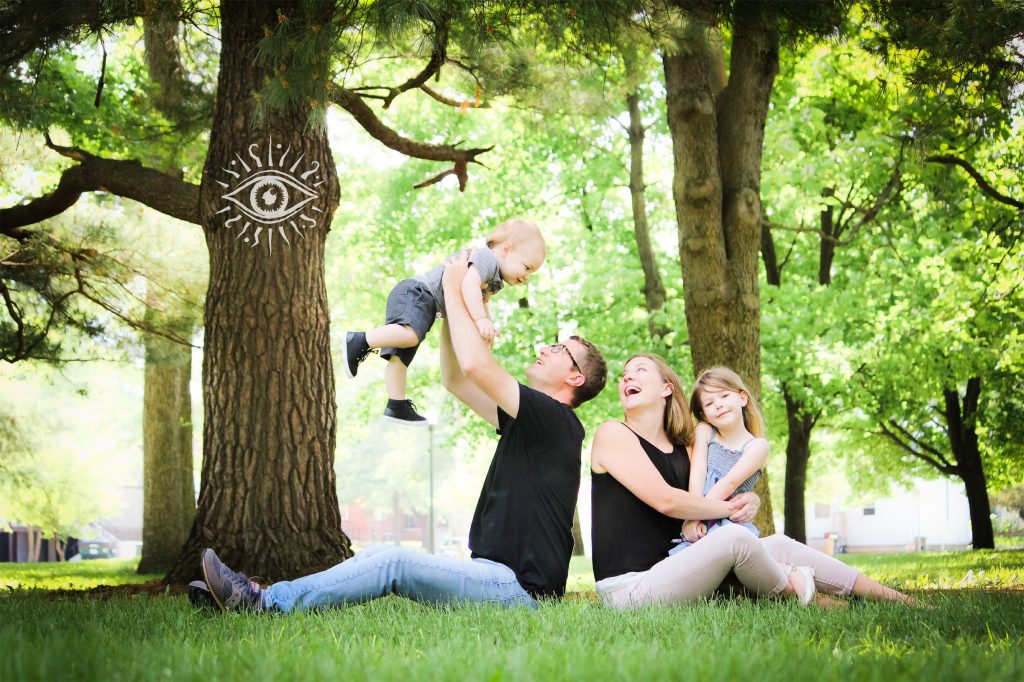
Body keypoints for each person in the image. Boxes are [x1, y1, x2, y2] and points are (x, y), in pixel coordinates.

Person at [192, 251, 608, 613]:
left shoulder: (558, 422)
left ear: (574, 378)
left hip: (519, 591)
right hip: (494, 577)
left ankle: (262, 602)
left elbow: (477, 366)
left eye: (558, 350)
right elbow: (457, 380)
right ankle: (253, 597)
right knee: (378, 555)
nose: (544, 349)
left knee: (393, 563)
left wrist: (452, 281)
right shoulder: (533, 423)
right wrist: (450, 305)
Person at [590, 353, 917, 609]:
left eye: (640, 370)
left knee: (780, 544)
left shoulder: (685, 445)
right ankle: (796, 588)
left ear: (666, 388)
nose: (627, 376)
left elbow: (714, 488)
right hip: (629, 589)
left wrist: (751, 498)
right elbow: (668, 501)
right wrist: (727, 509)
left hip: (680, 569)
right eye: (624, 375)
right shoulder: (613, 433)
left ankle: (898, 599)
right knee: (735, 538)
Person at [340, 218, 547, 424]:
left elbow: (482, 301)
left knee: (400, 356)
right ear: (507, 249)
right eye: (527, 267)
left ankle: (396, 403)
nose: (526, 276)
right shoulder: (486, 259)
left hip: (424, 301)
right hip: (418, 293)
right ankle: (360, 340)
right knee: (410, 336)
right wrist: (481, 320)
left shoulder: (494, 278)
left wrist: (486, 331)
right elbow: (469, 287)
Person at [668, 367, 767, 555]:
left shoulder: (757, 446)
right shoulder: (705, 432)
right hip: (698, 516)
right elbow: (697, 474)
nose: (719, 405)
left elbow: (729, 483)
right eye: (709, 403)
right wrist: (693, 515)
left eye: (724, 396)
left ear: (742, 398)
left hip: (729, 519)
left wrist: (696, 516)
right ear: (704, 415)